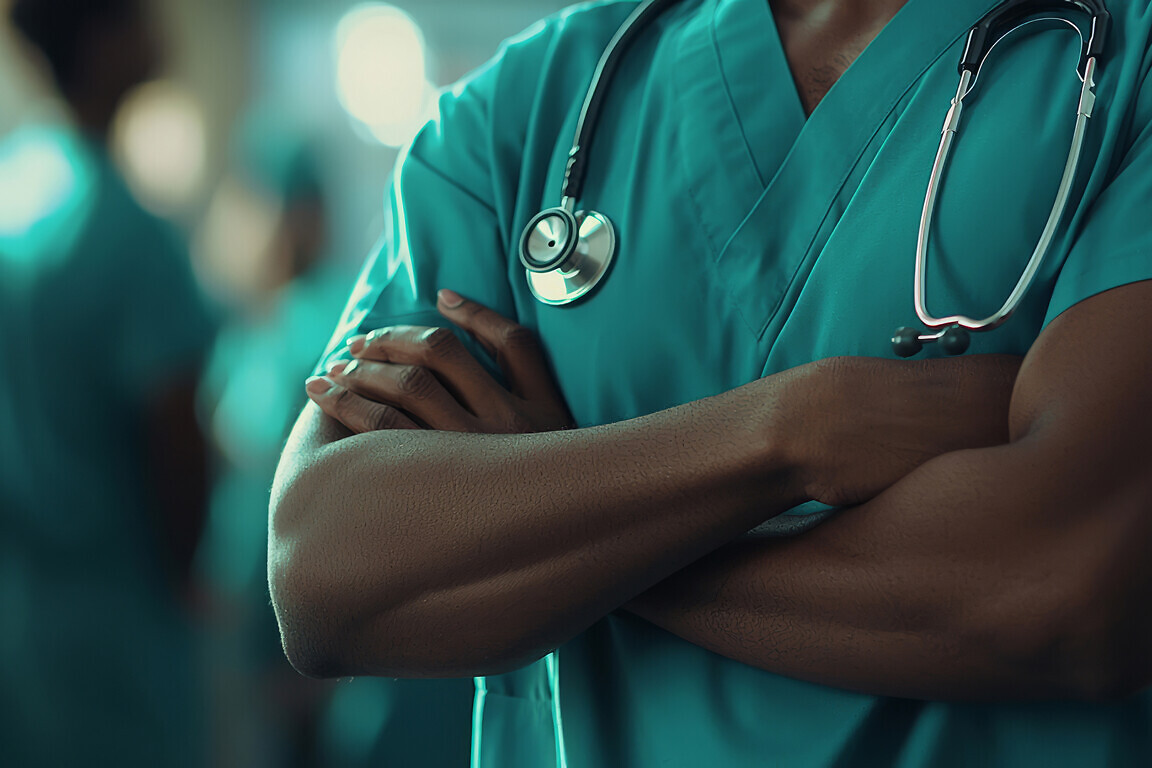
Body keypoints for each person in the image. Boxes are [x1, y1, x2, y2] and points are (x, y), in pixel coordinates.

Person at [269, 1, 1152, 766]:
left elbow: (1063, 591)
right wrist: (794, 430)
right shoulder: (518, 117)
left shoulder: (1128, 62)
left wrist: (549, 516)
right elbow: (324, 576)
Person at [0, 0, 216, 765]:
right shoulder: (126, 232)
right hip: (117, 628)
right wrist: (189, 576)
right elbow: (175, 442)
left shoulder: (12, 197)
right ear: (104, 41)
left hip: (19, 619)